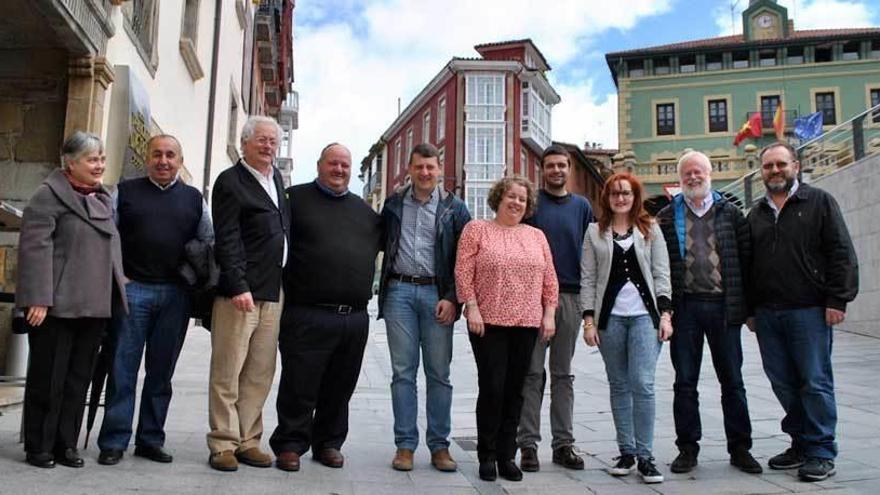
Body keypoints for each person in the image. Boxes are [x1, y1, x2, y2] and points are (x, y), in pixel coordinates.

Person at [97, 135, 214, 465]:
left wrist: (193, 284)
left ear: (180, 160)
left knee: (161, 374)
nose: (163, 161)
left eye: (170, 155)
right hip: (133, 291)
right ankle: (114, 441)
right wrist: (119, 277)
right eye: (157, 154)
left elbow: (207, 241)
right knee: (122, 370)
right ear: (147, 158)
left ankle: (150, 439)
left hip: (175, 296)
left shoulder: (194, 199)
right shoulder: (126, 191)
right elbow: (110, 236)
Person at [747, 141, 858, 482]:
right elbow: (749, 265)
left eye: (781, 164)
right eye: (768, 166)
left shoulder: (819, 202)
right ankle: (800, 442)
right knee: (782, 382)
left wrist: (838, 299)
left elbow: (841, 251)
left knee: (814, 381)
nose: (775, 171)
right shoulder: (756, 213)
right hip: (768, 314)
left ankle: (822, 451)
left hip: (809, 310)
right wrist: (750, 311)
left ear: (795, 165)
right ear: (761, 171)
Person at [16, 131, 128, 468]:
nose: (99, 166)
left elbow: (109, 249)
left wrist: (119, 286)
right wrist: (37, 298)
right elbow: (35, 251)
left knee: (78, 379)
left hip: (94, 305)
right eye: (92, 159)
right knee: (48, 379)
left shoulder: (103, 198)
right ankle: (39, 445)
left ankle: (67, 444)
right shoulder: (47, 196)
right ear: (71, 162)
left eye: (102, 159)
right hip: (54, 306)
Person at [269, 143, 382, 472]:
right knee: (299, 383)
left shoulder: (365, 212)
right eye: (333, 163)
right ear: (319, 165)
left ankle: (329, 443)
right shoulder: (293, 200)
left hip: (354, 317)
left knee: (340, 386)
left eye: (345, 165)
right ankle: (290, 444)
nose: (339, 169)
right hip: (306, 312)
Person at [656, 151, 761, 475]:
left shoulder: (731, 213)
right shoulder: (664, 217)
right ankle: (687, 448)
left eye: (698, 172)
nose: (693, 178)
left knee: (733, 381)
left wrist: (748, 310)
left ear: (709, 174)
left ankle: (740, 448)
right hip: (685, 308)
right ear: (680, 178)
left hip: (723, 307)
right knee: (685, 382)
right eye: (687, 173)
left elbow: (747, 263)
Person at [455, 175, 558, 482]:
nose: (516, 202)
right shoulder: (477, 230)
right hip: (488, 323)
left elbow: (549, 278)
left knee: (515, 391)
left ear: (527, 206)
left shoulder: (536, 236)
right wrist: (471, 306)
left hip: (526, 323)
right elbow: (463, 271)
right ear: (499, 198)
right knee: (492, 388)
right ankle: (486, 455)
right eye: (511, 196)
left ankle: (506, 455)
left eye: (522, 199)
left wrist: (549, 314)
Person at [377, 143, 471, 472]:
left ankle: (440, 447)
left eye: (431, 167)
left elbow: (466, 258)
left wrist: (454, 297)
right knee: (403, 373)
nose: (425, 173)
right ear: (410, 169)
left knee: (438, 374)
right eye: (419, 167)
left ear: (439, 168)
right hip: (399, 292)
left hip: (437, 296)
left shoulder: (454, 208)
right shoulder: (393, 204)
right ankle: (404, 446)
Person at [207, 116, 290, 472]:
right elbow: (226, 238)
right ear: (244, 143)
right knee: (228, 369)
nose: (269, 146)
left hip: (273, 291)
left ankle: (248, 440)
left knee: (259, 371)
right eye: (262, 140)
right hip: (240, 294)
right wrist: (238, 284)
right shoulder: (230, 182)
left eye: (273, 141)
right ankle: (222, 443)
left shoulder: (278, 180)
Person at [580, 173, 671, 484]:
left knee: (642, 383)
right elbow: (588, 279)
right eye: (615, 193)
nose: (621, 198)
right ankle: (627, 451)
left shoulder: (651, 229)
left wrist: (666, 315)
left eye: (626, 193)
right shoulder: (594, 232)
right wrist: (589, 321)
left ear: (635, 197)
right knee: (619, 384)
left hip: (645, 317)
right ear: (607, 198)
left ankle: (646, 456)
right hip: (611, 320)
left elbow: (662, 274)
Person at [517, 145, 592, 472]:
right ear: (542, 170)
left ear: (569, 169)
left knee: (563, 374)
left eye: (562, 165)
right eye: (550, 166)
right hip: (534, 299)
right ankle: (528, 445)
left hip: (572, 298)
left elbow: (590, 252)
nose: (557, 170)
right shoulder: (532, 205)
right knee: (532, 373)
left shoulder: (582, 207)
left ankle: (563, 444)